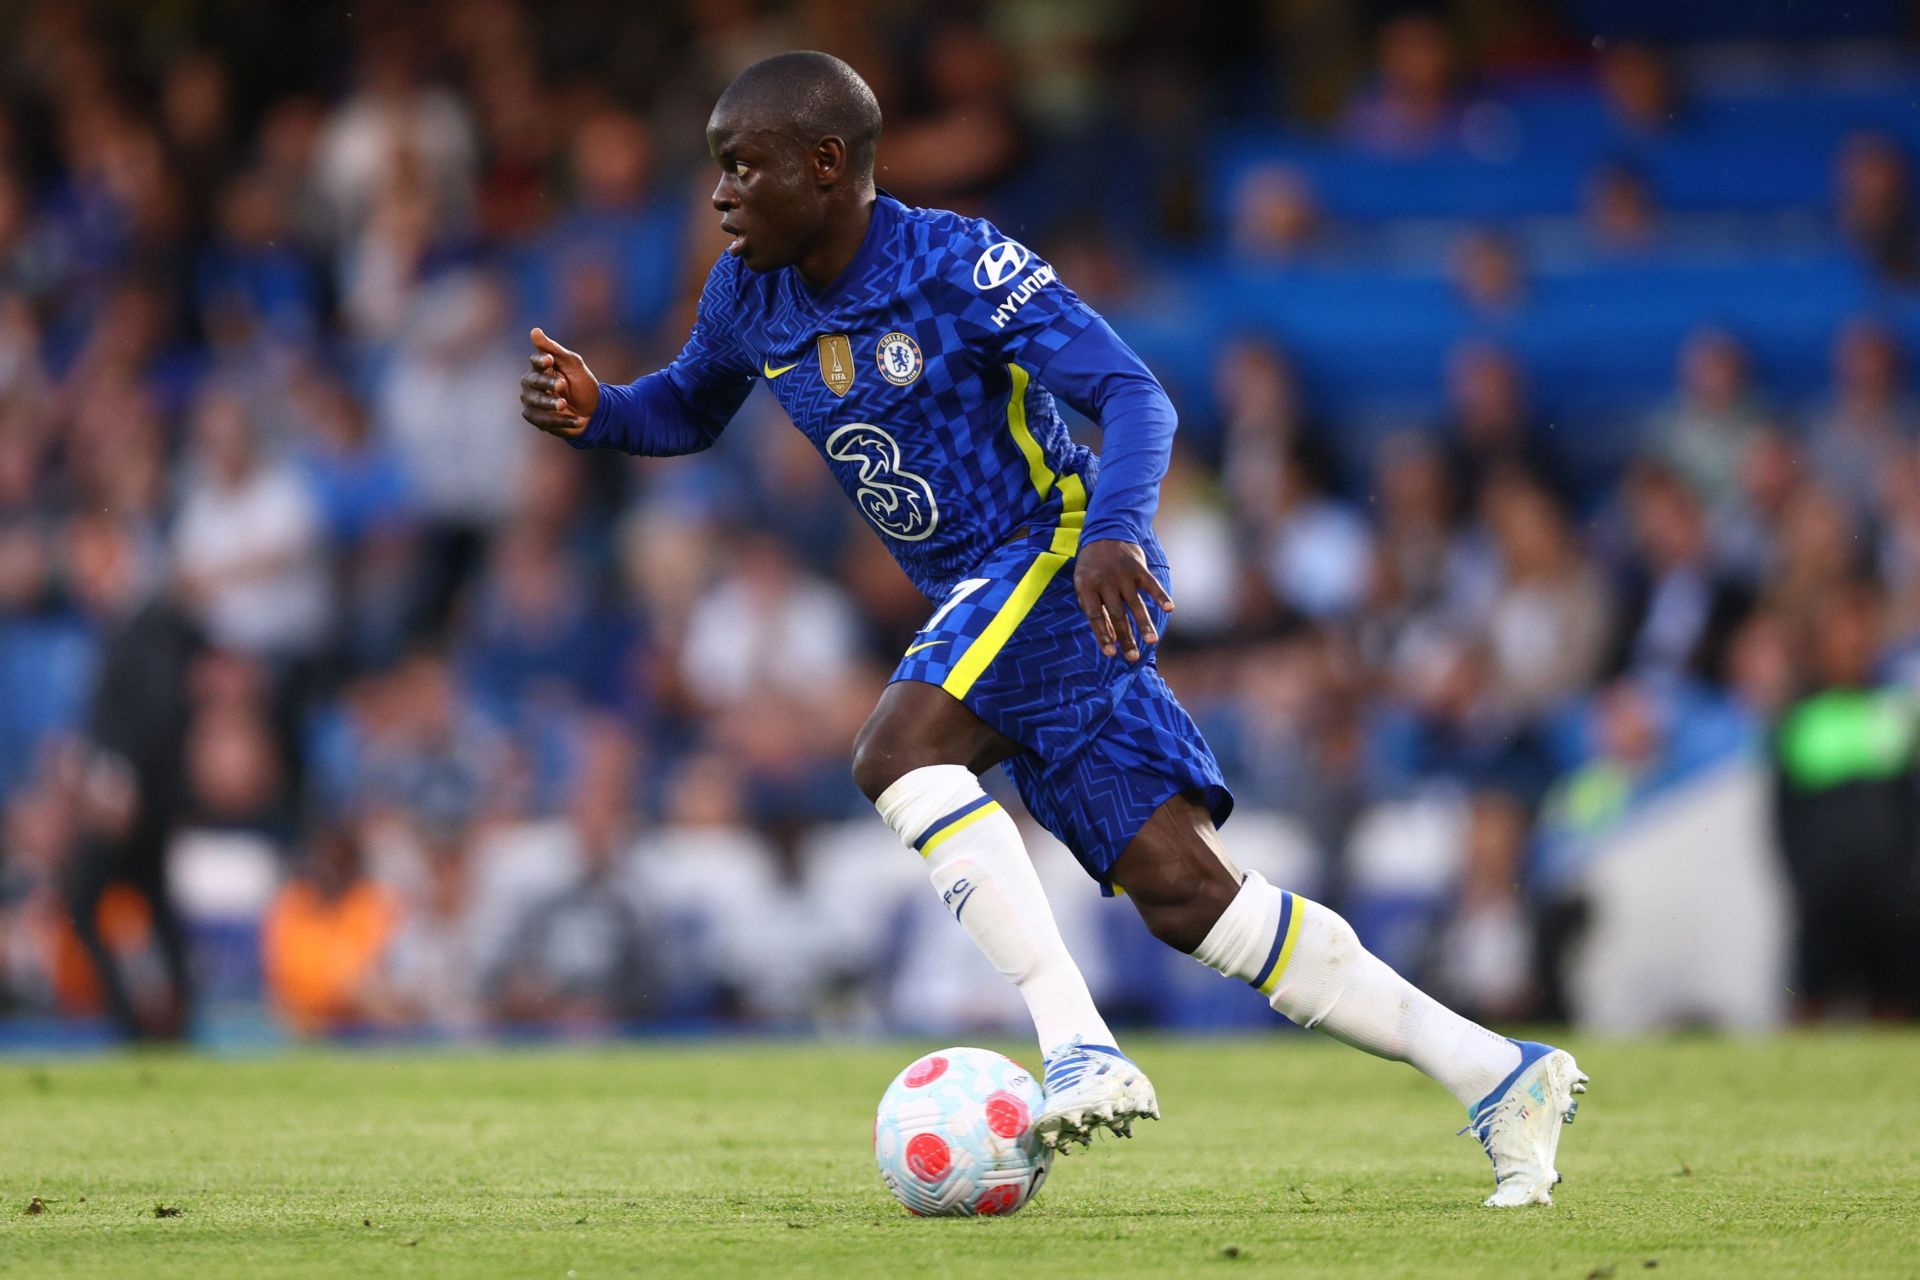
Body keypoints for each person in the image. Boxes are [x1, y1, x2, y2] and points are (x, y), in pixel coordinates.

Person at [518, 52, 1586, 1207]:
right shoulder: (747, 291)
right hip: (986, 604)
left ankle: (1078, 1041)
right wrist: (601, 413)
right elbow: (687, 402)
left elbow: (1136, 393)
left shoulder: (956, 264)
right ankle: (1500, 1069)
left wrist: (1117, 531)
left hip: (1057, 555)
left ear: (826, 166)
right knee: (1191, 896)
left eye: (741, 167)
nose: (719, 194)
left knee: (894, 751)